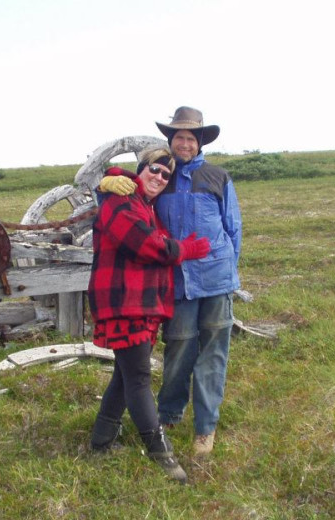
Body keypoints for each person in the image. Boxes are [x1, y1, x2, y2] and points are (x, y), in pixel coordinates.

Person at [100, 106, 242, 456]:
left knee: (213, 354)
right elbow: (128, 193)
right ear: (170, 140)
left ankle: (205, 429)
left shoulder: (217, 176)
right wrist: (106, 181)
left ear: (200, 142)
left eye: (191, 138)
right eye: (179, 137)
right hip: (176, 281)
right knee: (178, 347)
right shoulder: (161, 177)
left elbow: (233, 228)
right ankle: (168, 415)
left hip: (216, 278)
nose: (185, 144)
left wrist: (228, 271)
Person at [88, 147, 210, 484]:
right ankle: (162, 454)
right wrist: (184, 249)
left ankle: (100, 443)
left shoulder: (142, 205)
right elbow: (145, 246)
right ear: (140, 170)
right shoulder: (120, 202)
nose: (158, 177)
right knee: (139, 377)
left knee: (125, 374)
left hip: (136, 301)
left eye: (165, 175)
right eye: (153, 169)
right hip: (124, 302)